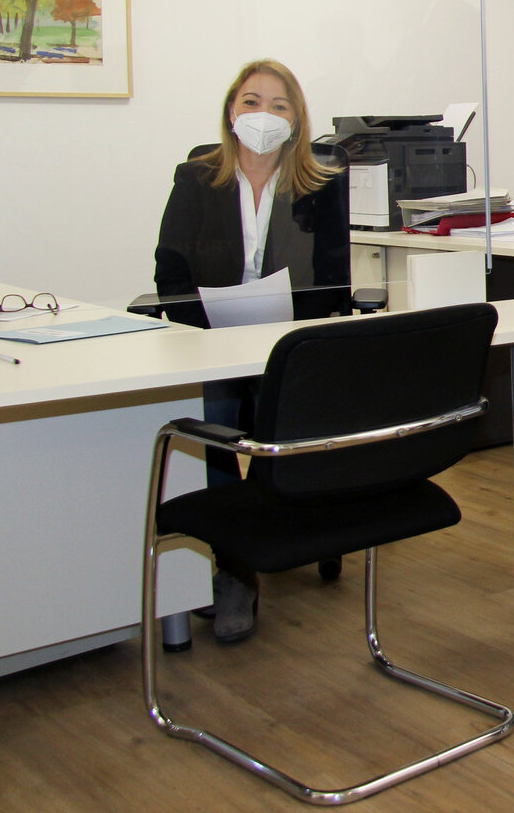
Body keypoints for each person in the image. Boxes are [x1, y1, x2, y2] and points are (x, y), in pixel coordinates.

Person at [153, 58, 350, 643]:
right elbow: (169, 272)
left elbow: (334, 279)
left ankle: (280, 527)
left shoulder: (320, 184)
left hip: (286, 341)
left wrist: (293, 331)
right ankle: (234, 567)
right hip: (214, 341)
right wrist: (206, 332)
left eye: (279, 105)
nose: (264, 114)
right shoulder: (196, 179)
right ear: (231, 111)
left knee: (279, 413)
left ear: (296, 120)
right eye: (251, 102)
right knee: (214, 418)